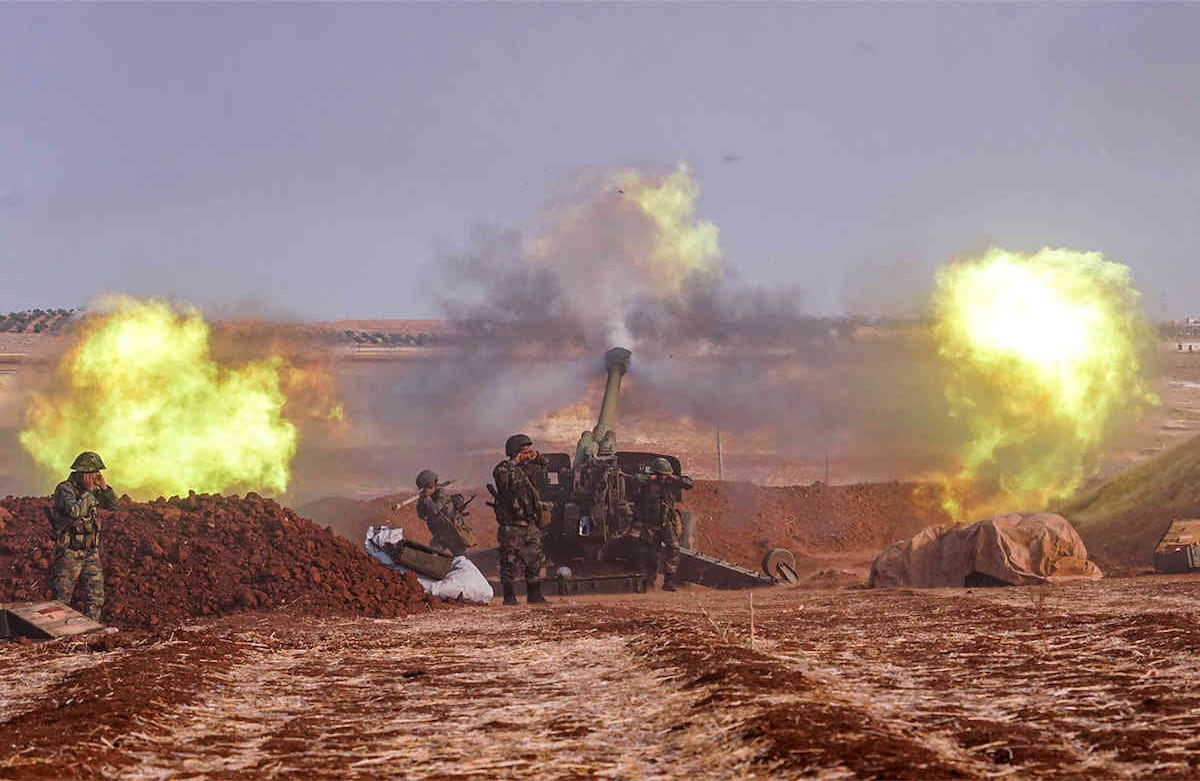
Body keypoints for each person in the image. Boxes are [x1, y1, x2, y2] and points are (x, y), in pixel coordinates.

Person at [50, 451, 119, 621]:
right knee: (62, 599)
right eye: (91, 473)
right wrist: (88, 493)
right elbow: (74, 512)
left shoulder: (93, 490)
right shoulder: (64, 489)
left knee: (95, 597)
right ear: (82, 473)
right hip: (70, 552)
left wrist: (104, 488)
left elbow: (114, 506)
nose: (95, 476)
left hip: (90, 552)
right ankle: (58, 635)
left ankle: (90, 632)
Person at [490, 433, 548, 605]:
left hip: (529, 524)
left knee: (535, 560)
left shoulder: (527, 469)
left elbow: (545, 465)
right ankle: (509, 597)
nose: (528, 454)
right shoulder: (504, 468)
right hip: (511, 525)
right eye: (525, 450)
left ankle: (535, 596)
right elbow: (503, 477)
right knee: (509, 561)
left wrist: (535, 457)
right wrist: (516, 460)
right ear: (516, 452)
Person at [636, 457, 693, 592]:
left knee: (674, 549)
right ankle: (649, 583)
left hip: (666, 523)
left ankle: (669, 581)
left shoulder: (670, 483)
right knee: (651, 554)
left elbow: (689, 483)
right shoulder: (647, 483)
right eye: (661, 475)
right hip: (650, 525)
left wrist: (673, 478)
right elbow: (636, 478)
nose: (663, 478)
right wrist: (652, 478)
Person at [413, 469, 475, 557]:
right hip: (439, 534)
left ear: (430, 486)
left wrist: (427, 498)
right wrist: (421, 501)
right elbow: (421, 515)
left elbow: (435, 510)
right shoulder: (427, 497)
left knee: (461, 559)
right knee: (431, 554)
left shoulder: (442, 494)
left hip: (452, 534)